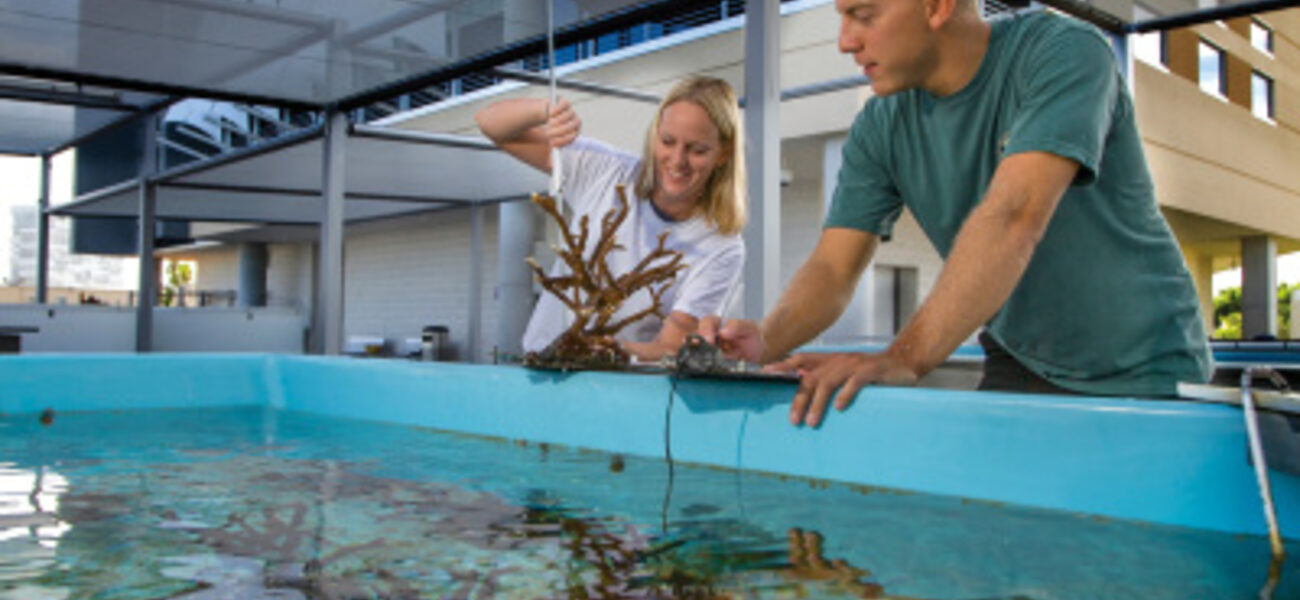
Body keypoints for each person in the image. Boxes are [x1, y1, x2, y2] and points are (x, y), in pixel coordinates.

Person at [701, 0, 1212, 426]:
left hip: (1141, 366)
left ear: (938, 6)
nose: (845, 41)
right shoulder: (880, 124)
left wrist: (903, 358)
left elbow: (1014, 216)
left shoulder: (1064, 52)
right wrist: (764, 342)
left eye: (864, 15)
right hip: (1019, 357)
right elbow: (834, 267)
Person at [476, 76, 747, 361]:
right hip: (541, 365)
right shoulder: (607, 172)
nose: (677, 160)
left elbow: (669, 346)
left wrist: (605, 351)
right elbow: (490, 124)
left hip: (621, 384)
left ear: (723, 153)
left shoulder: (721, 248)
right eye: (668, 141)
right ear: (655, 135)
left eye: (697, 150)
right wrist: (546, 111)